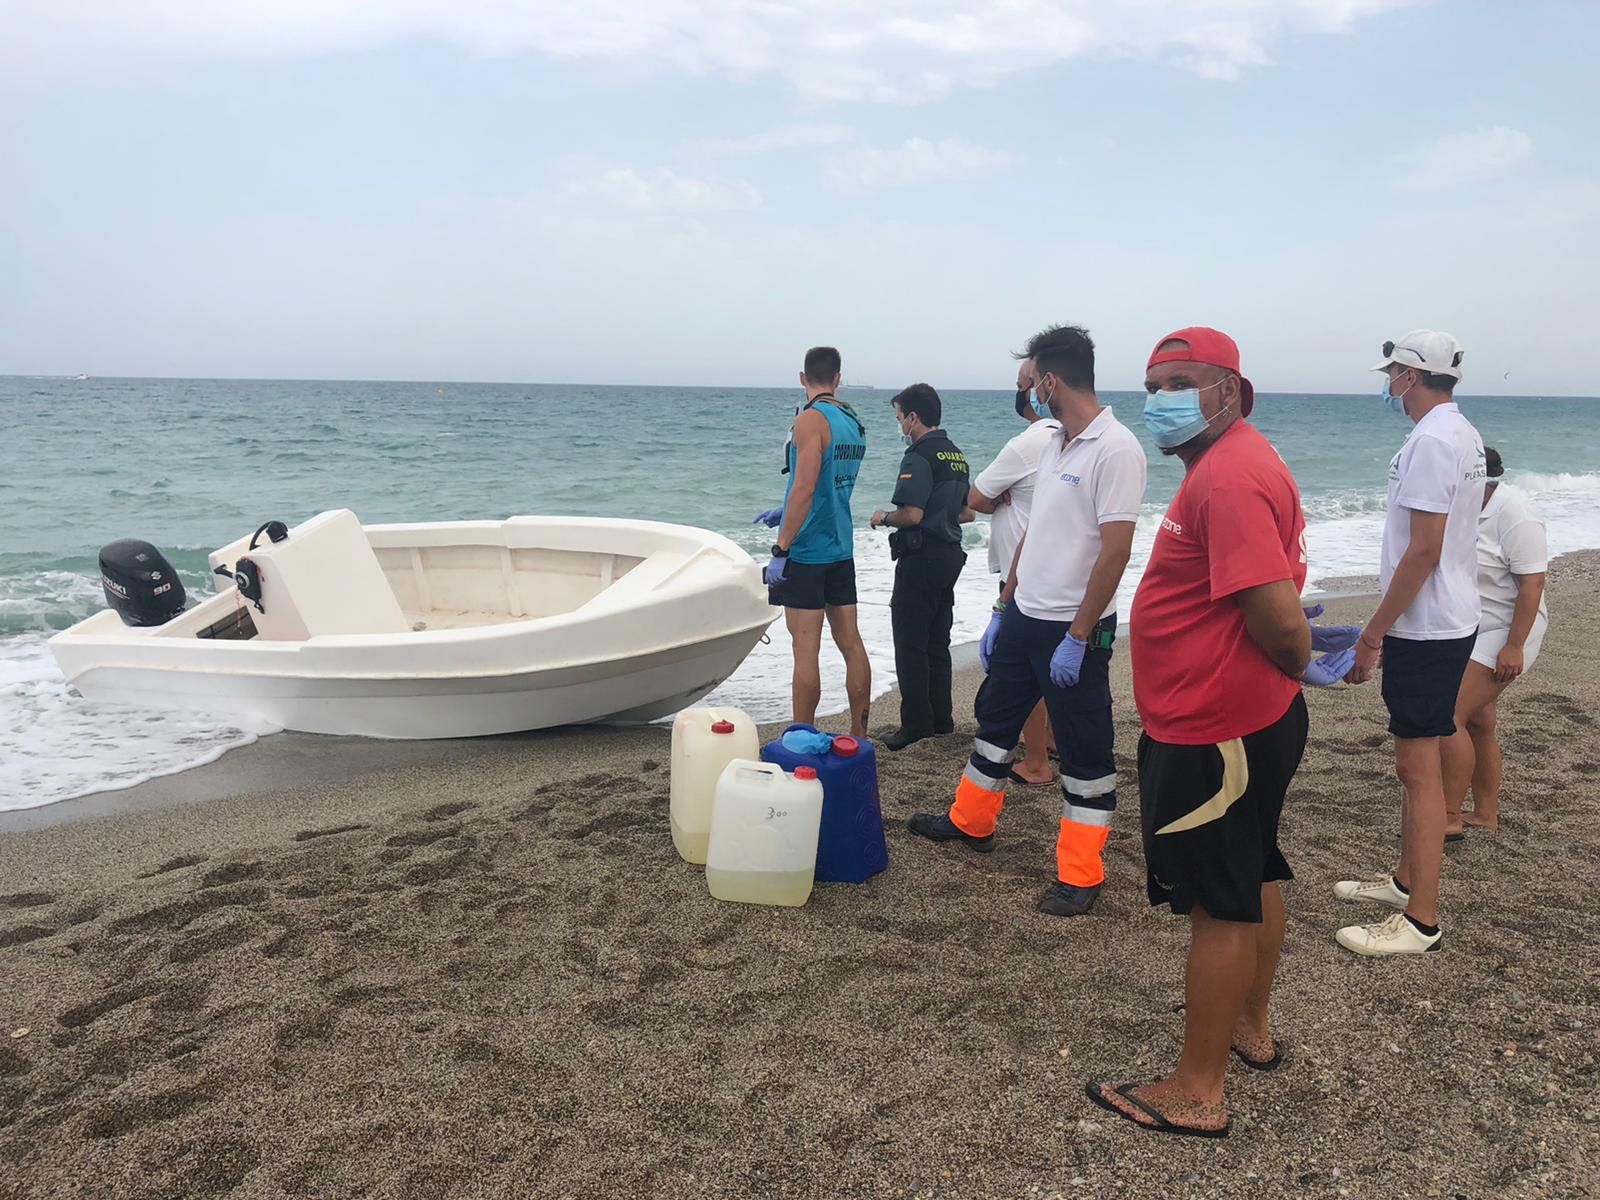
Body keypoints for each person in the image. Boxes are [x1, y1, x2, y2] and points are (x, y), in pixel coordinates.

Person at [1087, 326, 1356, 1139]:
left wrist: (1299, 654)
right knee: (1255, 869)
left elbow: (1276, 621)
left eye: (1180, 382)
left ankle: (1198, 1090)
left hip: (1218, 732)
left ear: (1230, 393)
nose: (1160, 399)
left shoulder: (1230, 477)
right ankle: (1249, 1027)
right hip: (1241, 720)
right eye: (1153, 383)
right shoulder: (1234, 463)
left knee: (1222, 905)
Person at [906, 325, 1146, 916]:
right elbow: (1036, 533)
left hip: (1074, 628)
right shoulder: (1055, 442)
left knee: (1087, 752)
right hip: (1024, 617)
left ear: (1052, 380)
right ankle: (971, 822)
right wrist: (1001, 608)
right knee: (994, 720)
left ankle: (1082, 874)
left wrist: (1081, 635)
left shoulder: (1117, 449)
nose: (1031, 391)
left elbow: (1115, 551)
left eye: (1034, 379)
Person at [1336, 331, 1486, 958]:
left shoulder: (1432, 440)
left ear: (1412, 375)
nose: (1389, 382)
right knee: (1413, 766)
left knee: (1417, 771)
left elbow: (1424, 548)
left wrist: (1375, 632)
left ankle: (1420, 920)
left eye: (1394, 372)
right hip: (1446, 616)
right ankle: (1405, 882)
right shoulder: (1461, 433)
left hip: (1428, 625)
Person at [755, 346, 873, 738]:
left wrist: (781, 548)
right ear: (838, 379)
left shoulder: (810, 420)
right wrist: (783, 506)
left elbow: (805, 486)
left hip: (807, 551)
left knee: (805, 648)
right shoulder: (852, 422)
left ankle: (801, 737)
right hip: (841, 546)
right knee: (850, 643)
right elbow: (828, 484)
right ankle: (859, 733)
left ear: (802, 378)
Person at [966, 360, 1062, 785]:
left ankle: (1036, 758)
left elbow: (977, 497)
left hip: (1021, 570)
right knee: (1051, 659)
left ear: (1037, 388)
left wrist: (1001, 495)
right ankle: (1052, 740)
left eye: (1021, 384)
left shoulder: (1026, 444)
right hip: (1060, 567)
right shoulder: (1068, 440)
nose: (1019, 391)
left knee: (1026, 667)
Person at [1444, 447, 1549, 835]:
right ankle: (1485, 814)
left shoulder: (1515, 512)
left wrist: (1514, 645)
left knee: (1448, 713)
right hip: (1471, 622)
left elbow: (1532, 583)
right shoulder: (1459, 509)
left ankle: (1449, 817)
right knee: (1478, 719)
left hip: (1511, 626)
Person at [869, 383, 971, 751]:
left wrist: (883, 517)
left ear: (913, 417)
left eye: (900, 417)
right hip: (950, 555)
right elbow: (967, 511)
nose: (900, 425)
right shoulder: (956, 454)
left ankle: (914, 726)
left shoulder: (919, 455)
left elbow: (911, 514)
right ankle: (941, 721)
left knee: (910, 643)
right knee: (936, 642)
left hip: (922, 556)